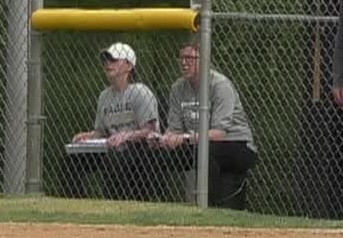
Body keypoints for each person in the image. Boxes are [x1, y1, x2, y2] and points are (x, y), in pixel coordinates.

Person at [154, 42, 259, 209]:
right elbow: (174, 129)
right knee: (155, 153)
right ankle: (154, 205)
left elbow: (219, 134)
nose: (184, 63)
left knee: (208, 151)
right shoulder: (178, 88)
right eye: (181, 58)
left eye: (189, 58)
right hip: (196, 143)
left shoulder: (219, 85)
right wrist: (165, 138)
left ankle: (207, 207)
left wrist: (184, 138)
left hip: (236, 144)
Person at [61, 42, 162, 200]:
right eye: (106, 60)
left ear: (129, 66)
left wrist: (126, 136)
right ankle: (75, 203)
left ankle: (113, 202)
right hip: (112, 146)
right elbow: (101, 132)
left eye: (114, 60)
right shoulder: (104, 96)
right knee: (71, 158)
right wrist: (88, 136)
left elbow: (150, 130)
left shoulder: (140, 91)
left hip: (138, 148)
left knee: (115, 156)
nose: (108, 63)